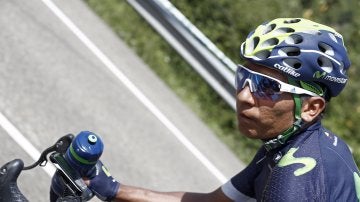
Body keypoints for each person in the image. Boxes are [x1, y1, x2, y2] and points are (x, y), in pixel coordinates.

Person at [81, 18, 360, 201]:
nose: (244, 96)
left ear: (311, 107)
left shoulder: (297, 180)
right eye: (244, 78)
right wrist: (111, 188)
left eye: (266, 86)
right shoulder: (289, 147)